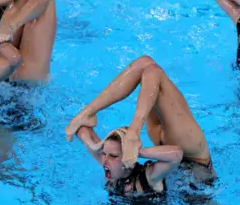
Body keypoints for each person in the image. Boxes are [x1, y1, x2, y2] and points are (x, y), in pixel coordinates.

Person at [66, 56, 216, 184]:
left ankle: (98, 117)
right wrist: (97, 142)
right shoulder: (118, 168)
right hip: (166, 156)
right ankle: (87, 113)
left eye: (112, 156)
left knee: (151, 71)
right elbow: (146, 65)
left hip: (194, 166)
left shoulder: (186, 138)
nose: (106, 159)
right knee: (146, 64)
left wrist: (133, 134)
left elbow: (153, 72)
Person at [74, 125, 183, 196]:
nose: (104, 161)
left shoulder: (147, 177)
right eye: (104, 154)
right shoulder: (111, 166)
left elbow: (177, 154)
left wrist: (136, 152)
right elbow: (81, 129)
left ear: (127, 158)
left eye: (113, 156)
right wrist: (96, 147)